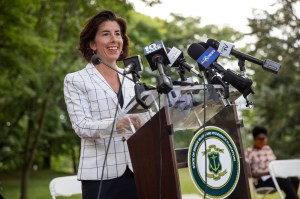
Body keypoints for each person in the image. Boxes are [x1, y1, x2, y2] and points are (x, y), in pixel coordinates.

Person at [64, 10, 148, 199]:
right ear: (92, 44)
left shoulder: (131, 80)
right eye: (106, 34)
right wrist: (119, 123)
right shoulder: (76, 80)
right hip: (100, 177)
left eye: (117, 34)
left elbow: (143, 121)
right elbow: (82, 126)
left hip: (136, 172)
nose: (114, 39)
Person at [245, 125, 299, 199]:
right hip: (261, 182)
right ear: (254, 138)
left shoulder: (267, 149)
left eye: (263, 139)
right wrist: (268, 173)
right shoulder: (249, 152)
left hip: (275, 177)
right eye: (259, 139)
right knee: (284, 181)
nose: (261, 141)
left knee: (294, 179)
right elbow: (249, 174)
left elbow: (275, 165)